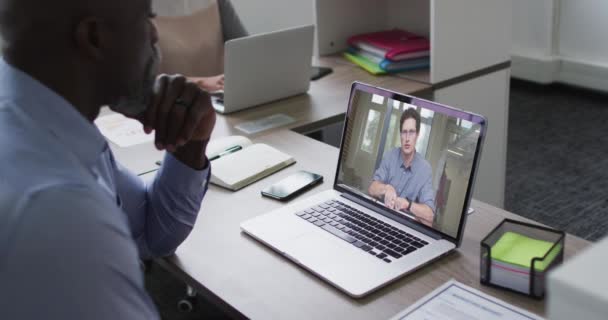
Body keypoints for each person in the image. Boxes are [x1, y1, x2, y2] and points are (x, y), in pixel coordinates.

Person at [0, 0, 216, 318]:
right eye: (147, 19)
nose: (155, 35)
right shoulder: (59, 211)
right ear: (95, 37)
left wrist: (190, 145)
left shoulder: (48, 121)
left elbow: (150, 236)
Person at [368, 108, 436, 226]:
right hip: (381, 221)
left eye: (412, 132)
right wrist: (387, 188)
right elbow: (372, 188)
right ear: (400, 134)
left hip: (404, 227)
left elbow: (430, 215)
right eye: (404, 132)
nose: (407, 138)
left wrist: (408, 204)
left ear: (417, 135)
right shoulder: (390, 156)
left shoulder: (425, 170)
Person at [185, 0, 248, 91]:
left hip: (224, 96)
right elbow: (156, 81)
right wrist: (199, 82)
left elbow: (246, 50)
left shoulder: (217, 2)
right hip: (175, 101)